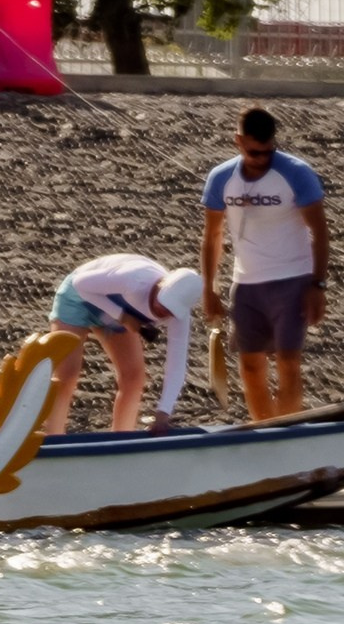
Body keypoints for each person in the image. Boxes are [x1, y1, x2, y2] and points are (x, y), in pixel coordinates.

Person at [202, 106, 329, 421]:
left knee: (288, 361)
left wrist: (318, 284)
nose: (262, 159)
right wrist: (209, 287)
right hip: (246, 285)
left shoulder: (296, 172)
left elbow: (320, 231)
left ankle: (287, 436)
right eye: (255, 152)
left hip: (293, 279)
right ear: (239, 141)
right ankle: (265, 431)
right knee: (250, 364)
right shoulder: (221, 178)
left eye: (269, 151)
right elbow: (212, 236)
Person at [43, 254, 206, 433]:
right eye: (162, 302)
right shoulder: (134, 280)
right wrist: (122, 316)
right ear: (160, 285)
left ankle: (121, 439)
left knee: (133, 378)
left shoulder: (179, 317)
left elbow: (176, 364)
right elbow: (80, 284)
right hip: (79, 298)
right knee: (66, 375)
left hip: (117, 316)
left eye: (169, 310)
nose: (161, 310)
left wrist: (163, 414)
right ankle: (53, 438)